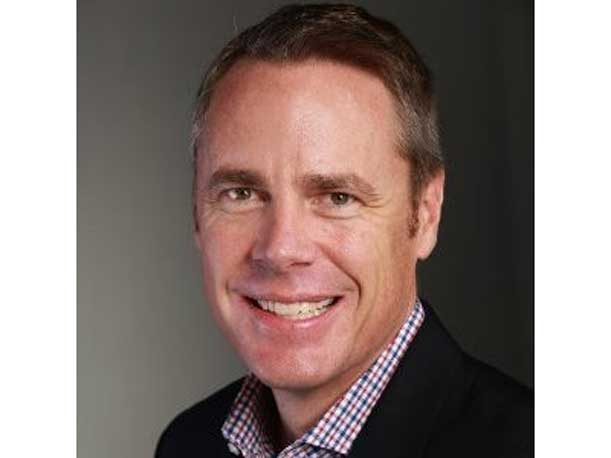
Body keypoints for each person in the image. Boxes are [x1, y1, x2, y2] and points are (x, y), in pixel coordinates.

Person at [156, 4, 533, 457]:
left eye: (338, 197)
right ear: (196, 212)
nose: (280, 249)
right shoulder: (188, 443)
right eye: (241, 193)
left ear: (426, 214)